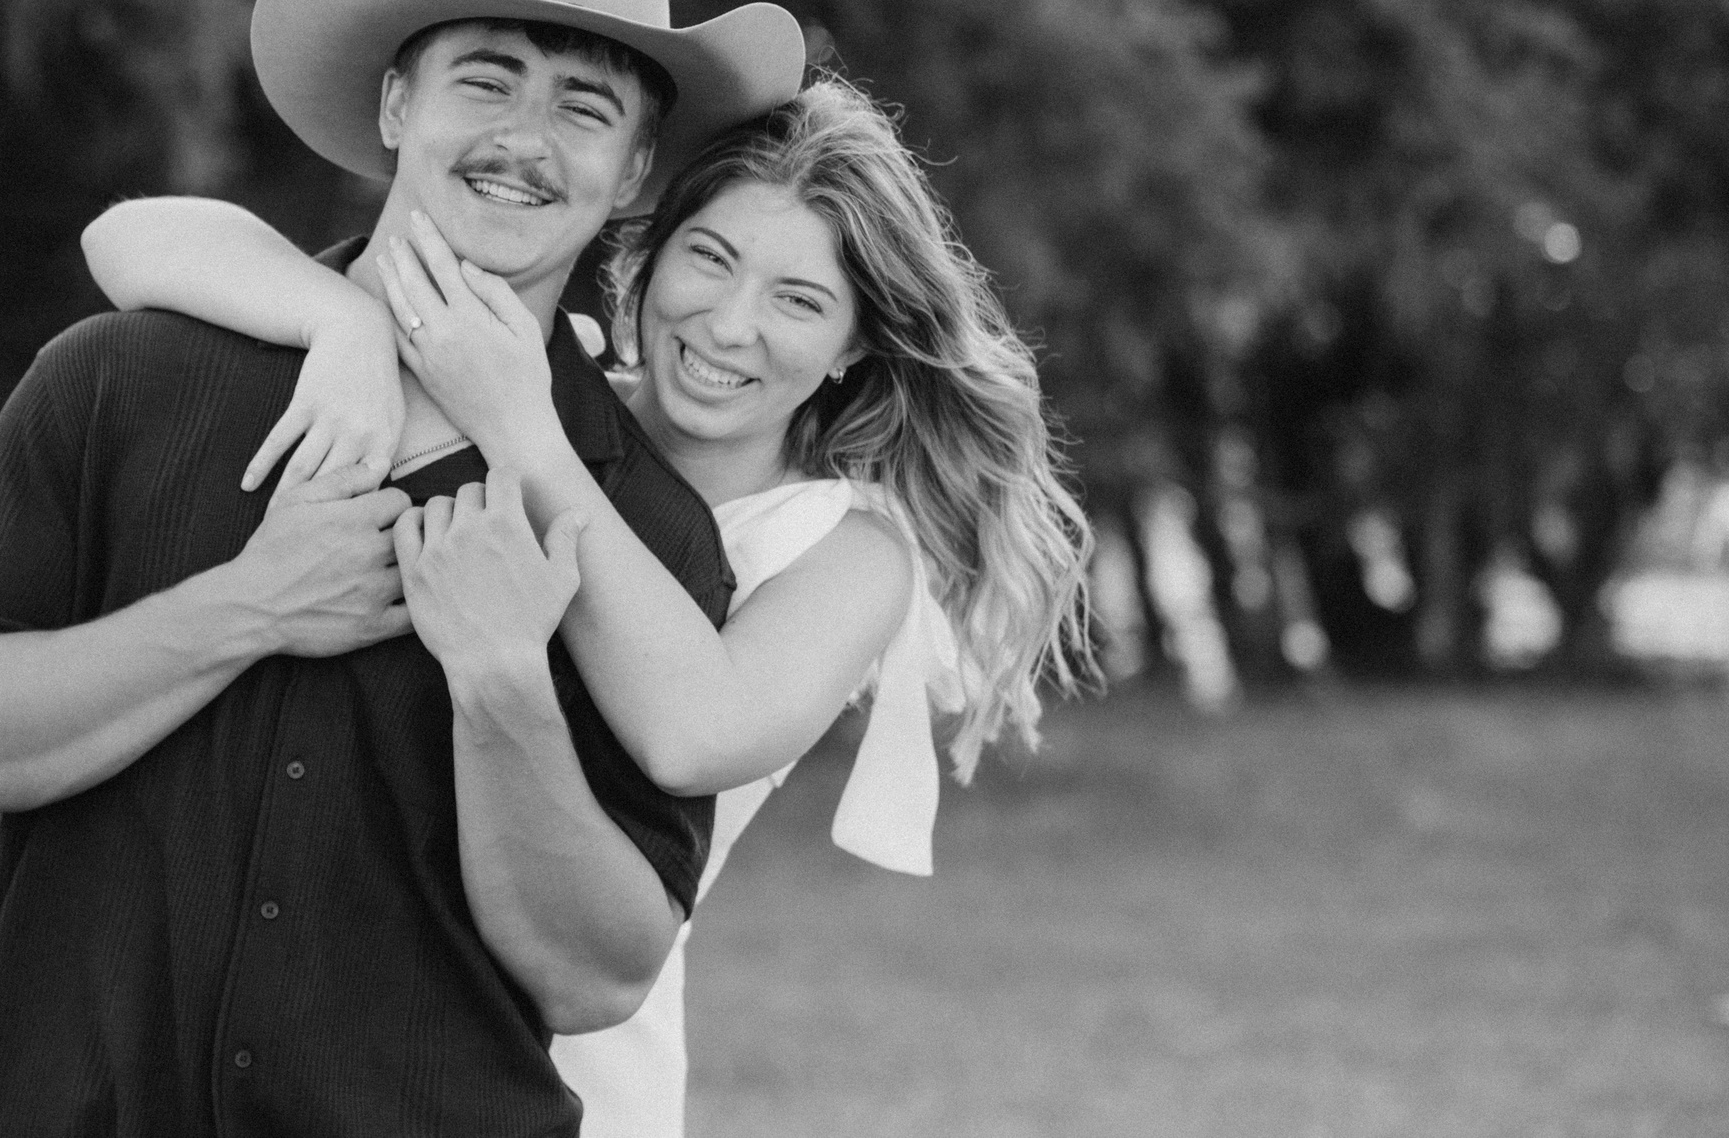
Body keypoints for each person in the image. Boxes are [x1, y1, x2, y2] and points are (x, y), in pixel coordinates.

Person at [0, 0, 809, 1136]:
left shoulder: (645, 534)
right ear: (393, 103)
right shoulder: (124, 380)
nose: (525, 138)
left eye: (584, 106)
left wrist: (503, 689)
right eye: (486, 78)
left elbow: (598, 975)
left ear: (634, 173)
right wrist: (246, 609)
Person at [83, 72, 1093, 1138]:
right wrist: (340, 321)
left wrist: (521, 429)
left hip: (572, 1053)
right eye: (708, 259)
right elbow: (130, 240)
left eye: (798, 300)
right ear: (644, 260)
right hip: (347, 1022)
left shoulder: (841, 551)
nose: (729, 324)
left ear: (850, 344)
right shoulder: (530, 385)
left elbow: (692, 732)